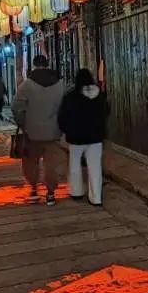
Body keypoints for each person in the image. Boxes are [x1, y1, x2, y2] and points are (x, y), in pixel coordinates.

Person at [12, 55, 65, 206]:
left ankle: (34, 189)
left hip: (32, 132)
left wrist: (23, 124)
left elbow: (17, 108)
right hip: (53, 131)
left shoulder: (26, 86)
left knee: (30, 162)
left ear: (34, 65)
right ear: (47, 64)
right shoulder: (60, 84)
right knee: (51, 164)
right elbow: (65, 107)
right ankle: (50, 193)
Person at [58, 69, 109, 206]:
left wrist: (66, 130)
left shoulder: (71, 97)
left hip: (76, 138)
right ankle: (96, 198)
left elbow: (62, 117)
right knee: (95, 167)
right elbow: (106, 113)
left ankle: (76, 191)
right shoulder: (100, 96)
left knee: (74, 165)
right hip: (96, 138)